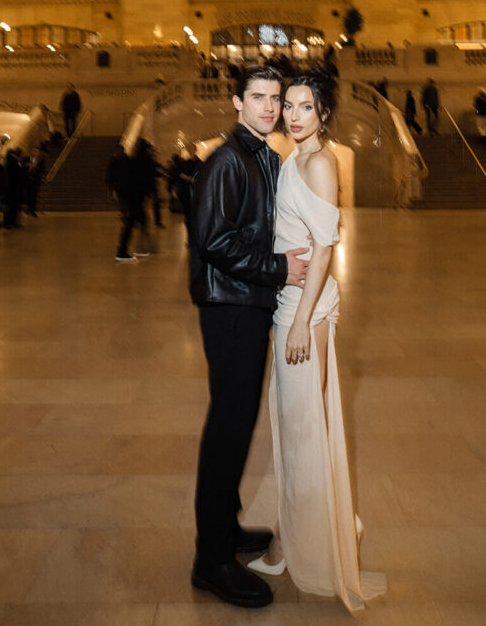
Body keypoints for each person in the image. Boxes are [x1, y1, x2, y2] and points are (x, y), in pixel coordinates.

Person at [248, 71, 386, 611]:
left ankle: (296, 542)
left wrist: (304, 321)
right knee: (296, 424)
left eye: (306, 107)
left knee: (302, 427)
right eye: (290, 105)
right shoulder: (294, 157)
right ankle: (322, 524)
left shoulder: (321, 164)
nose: (294, 115)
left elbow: (326, 249)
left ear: (324, 113)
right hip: (291, 304)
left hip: (305, 310)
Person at [189, 65, 308, 609]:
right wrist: (279, 268)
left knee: (237, 426)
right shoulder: (227, 160)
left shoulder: (263, 156)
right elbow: (214, 241)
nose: (269, 107)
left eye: (275, 98)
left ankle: (226, 529)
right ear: (237, 102)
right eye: (257, 97)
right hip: (230, 307)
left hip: (248, 301)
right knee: (228, 429)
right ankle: (210, 560)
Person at [106, 143, 150, 262]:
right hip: (131, 199)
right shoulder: (129, 162)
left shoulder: (120, 162)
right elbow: (136, 181)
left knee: (135, 221)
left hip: (127, 198)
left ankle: (134, 248)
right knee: (132, 223)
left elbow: (112, 179)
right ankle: (123, 251)